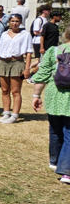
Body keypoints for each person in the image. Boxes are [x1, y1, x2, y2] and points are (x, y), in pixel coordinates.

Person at [31, 27, 70, 185]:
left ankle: (54, 161)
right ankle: (66, 171)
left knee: (55, 129)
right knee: (69, 134)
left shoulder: (54, 51)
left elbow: (42, 74)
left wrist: (36, 95)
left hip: (54, 95)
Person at [0, 14, 33, 124]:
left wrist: (27, 69)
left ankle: (14, 115)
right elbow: (0, 50)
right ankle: (6, 112)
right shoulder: (4, 34)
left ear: (20, 22)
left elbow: (29, 53)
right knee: (5, 90)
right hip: (3, 62)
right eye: (12, 21)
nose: (14, 23)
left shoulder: (25, 35)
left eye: (17, 21)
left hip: (17, 62)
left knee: (15, 91)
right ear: (9, 22)